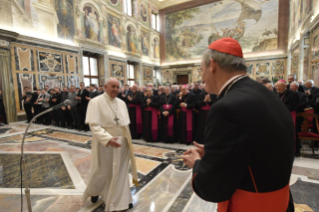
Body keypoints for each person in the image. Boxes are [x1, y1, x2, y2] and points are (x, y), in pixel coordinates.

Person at [181, 38, 294, 212]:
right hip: (280, 201)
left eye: (201, 70)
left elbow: (212, 188)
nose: (201, 77)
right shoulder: (265, 93)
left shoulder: (225, 107)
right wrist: (216, 153)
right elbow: (258, 148)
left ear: (212, 65)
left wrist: (197, 163)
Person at [83, 78, 138, 211]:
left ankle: (123, 200)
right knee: (102, 170)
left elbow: (125, 125)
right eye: (113, 86)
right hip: (105, 144)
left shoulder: (122, 103)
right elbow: (94, 125)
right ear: (105, 87)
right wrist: (108, 139)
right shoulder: (95, 102)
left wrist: (127, 142)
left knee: (121, 172)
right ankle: (95, 191)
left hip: (122, 144)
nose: (115, 89)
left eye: (118, 87)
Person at [290, 82, 308, 156]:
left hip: (298, 115)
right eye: (291, 86)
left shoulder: (302, 94)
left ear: (297, 87)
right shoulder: (287, 94)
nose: (291, 88)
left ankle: (297, 148)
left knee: (296, 131)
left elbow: (305, 103)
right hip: (290, 113)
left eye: (293, 86)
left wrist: (296, 105)